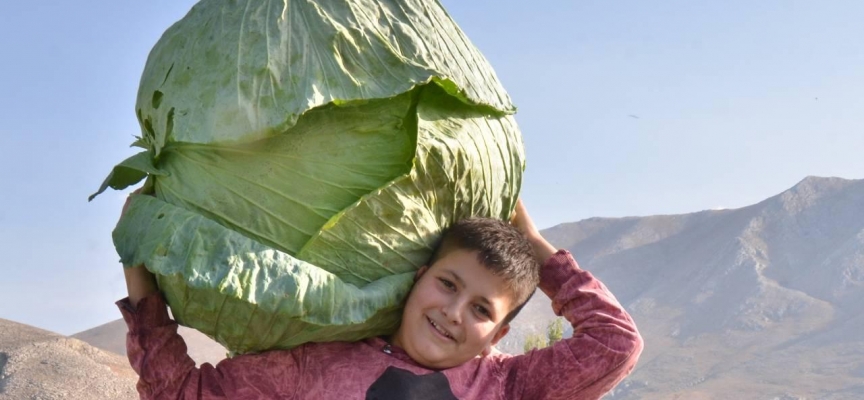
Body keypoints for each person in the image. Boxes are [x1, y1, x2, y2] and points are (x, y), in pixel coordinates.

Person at [118, 196, 643, 399]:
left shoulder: (507, 387)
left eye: (482, 310)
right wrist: (138, 270)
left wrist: (539, 251)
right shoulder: (315, 367)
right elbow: (180, 395)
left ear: (499, 335)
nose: (453, 312)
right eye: (448, 284)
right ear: (418, 277)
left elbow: (615, 344)